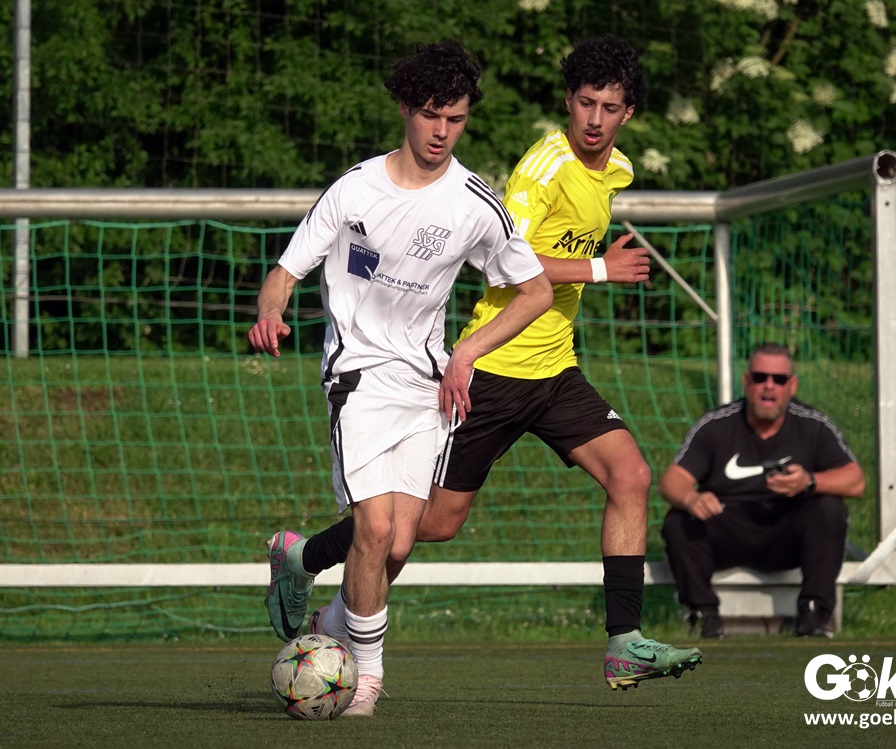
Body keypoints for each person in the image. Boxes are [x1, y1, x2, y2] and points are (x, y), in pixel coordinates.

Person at [296, 34, 703, 692]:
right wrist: (601, 268)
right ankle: (310, 560)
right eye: (585, 102)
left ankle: (624, 643)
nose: (595, 119)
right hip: (493, 367)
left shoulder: (617, 170)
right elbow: (509, 265)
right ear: (568, 101)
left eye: (609, 107)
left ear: (628, 113)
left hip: (555, 370)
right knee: (423, 526)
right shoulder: (544, 168)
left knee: (630, 473)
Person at [250, 39, 553, 718]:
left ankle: (330, 620)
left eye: (456, 118)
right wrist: (271, 313)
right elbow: (284, 273)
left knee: (403, 541)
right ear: (405, 109)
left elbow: (534, 292)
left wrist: (466, 352)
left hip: (426, 385)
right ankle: (367, 678)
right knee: (376, 527)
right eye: (430, 115)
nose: (442, 131)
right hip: (356, 374)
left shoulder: (475, 204)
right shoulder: (355, 188)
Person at [658, 342, 866, 639]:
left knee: (829, 509)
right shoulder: (716, 425)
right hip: (728, 530)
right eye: (760, 377)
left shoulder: (813, 426)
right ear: (746, 381)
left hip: (787, 536)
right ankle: (703, 616)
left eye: (779, 379)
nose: (769, 386)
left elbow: (856, 481)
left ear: (792, 386)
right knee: (679, 520)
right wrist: (692, 498)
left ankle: (814, 615)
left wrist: (809, 481)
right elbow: (671, 480)